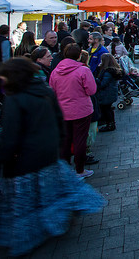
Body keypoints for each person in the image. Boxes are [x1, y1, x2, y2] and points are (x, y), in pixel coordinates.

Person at [0, 57, 104, 256]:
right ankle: (59, 218)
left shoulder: (15, 98)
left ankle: (30, 233)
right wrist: (59, 143)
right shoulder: (45, 91)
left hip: (25, 160)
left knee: (26, 202)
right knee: (52, 193)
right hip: (47, 154)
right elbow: (58, 119)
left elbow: (10, 136)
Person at [49, 44, 98, 178]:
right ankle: (80, 169)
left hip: (63, 111)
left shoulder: (55, 71)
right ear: (79, 55)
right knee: (80, 140)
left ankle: (65, 170)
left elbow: (52, 90)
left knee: (65, 140)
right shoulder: (83, 70)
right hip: (81, 110)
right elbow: (92, 90)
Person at [95, 53, 122, 133]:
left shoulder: (107, 72)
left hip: (106, 94)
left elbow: (103, 84)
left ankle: (110, 124)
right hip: (110, 93)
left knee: (106, 109)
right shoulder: (113, 70)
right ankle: (111, 123)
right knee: (108, 109)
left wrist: (96, 79)